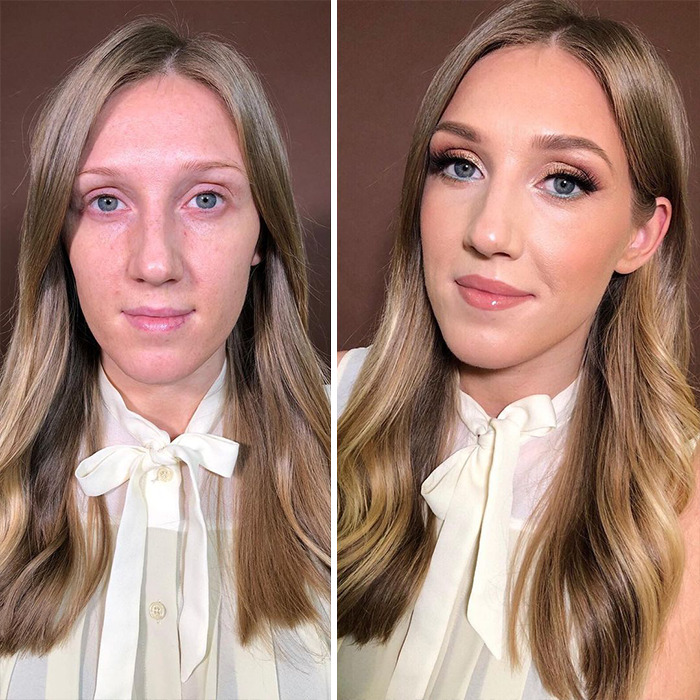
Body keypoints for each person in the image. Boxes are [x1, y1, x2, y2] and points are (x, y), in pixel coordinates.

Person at [337, 1, 700, 698]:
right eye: (461, 166)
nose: (489, 233)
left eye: (563, 181)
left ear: (641, 235)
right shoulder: (320, 416)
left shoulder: (680, 501)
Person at [0, 17, 330, 700]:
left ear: (261, 232)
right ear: (60, 236)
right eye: (107, 201)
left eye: (205, 199)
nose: (155, 263)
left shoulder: (356, 478)